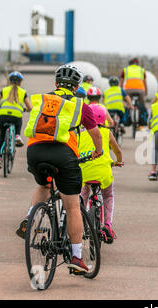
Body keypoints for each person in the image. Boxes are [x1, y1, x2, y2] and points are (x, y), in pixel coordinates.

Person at [16, 64, 104, 274]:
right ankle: (76, 257)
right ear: (76, 87)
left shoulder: (43, 99)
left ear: (55, 84)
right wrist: (97, 152)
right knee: (73, 206)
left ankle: (30, 218)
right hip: (63, 155)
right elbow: (96, 135)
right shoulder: (80, 105)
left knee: (44, 185)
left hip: (35, 151)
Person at [79, 104, 123, 244]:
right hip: (103, 172)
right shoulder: (107, 133)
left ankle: (79, 224)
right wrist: (118, 162)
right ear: (104, 119)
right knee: (108, 195)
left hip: (85, 171)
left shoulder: (81, 132)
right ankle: (108, 226)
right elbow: (118, 151)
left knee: (83, 196)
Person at [0, 71, 32, 169]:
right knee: (18, 119)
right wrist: (25, 110)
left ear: (9, 81)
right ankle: (17, 135)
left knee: (2, 136)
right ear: (20, 82)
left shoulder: (4, 90)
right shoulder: (23, 92)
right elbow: (30, 107)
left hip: (3, 116)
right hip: (16, 116)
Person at [120, 58, 148, 125]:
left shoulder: (125, 70)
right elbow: (145, 83)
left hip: (128, 90)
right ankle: (146, 118)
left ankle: (126, 119)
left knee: (127, 103)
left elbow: (121, 82)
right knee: (143, 104)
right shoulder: (142, 70)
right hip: (140, 90)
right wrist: (146, 91)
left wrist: (121, 92)